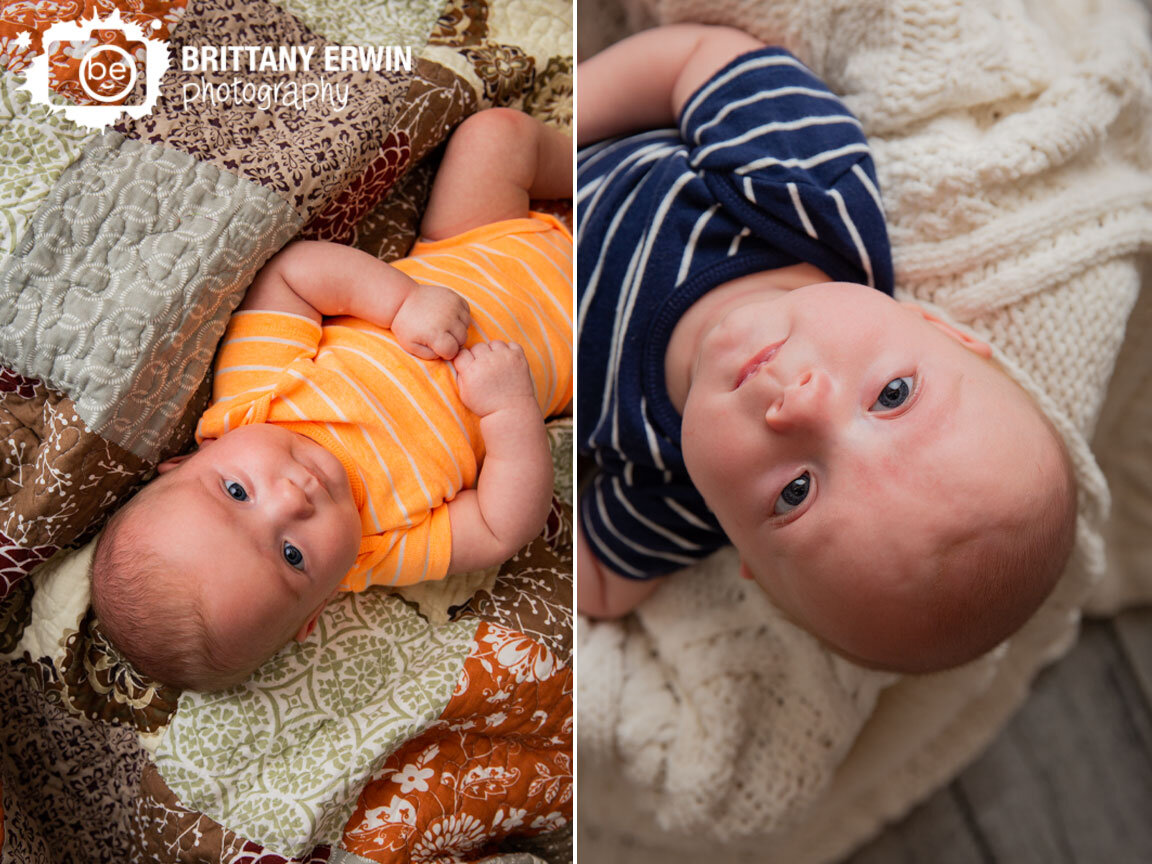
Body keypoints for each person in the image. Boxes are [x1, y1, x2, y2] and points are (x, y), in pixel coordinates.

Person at [576, 24, 1077, 673]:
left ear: (742, 548)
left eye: (796, 493)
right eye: (892, 396)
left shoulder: (674, 494)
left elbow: (602, 585)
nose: (804, 406)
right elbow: (701, 60)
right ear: (941, 328)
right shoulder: (805, 193)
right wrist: (570, 114)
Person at [90, 107, 573, 691]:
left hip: (468, 244)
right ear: (319, 604)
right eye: (293, 555)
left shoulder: (253, 398)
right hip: (576, 341)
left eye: (237, 491)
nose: (292, 501)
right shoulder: (379, 551)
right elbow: (503, 525)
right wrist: (509, 411)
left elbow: (294, 276)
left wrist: (402, 304)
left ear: (189, 458)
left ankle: (584, 167)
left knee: (495, 136)